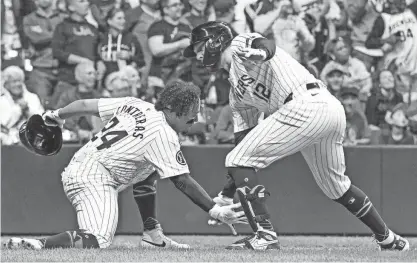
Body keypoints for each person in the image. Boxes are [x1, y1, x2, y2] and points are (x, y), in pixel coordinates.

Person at [183, 21, 410, 251]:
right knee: (336, 187)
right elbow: (244, 143)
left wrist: (261, 53)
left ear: (216, 40)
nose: (198, 55)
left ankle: (265, 236)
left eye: (200, 47)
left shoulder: (239, 46)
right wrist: (226, 194)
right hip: (323, 110)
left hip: (306, 104)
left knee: (237, 159)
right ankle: (389, 239)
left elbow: (266, 45)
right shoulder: (237, 95)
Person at [4, 80, 244, 250]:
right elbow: (181, 180)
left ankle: (152, 234)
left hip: (85, 163)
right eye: (189, 114)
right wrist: (215, 210)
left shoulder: (136, 103)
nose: (194, 120)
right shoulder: (163, 134)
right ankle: (38, 244)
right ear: (171, 109)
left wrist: (55, 115)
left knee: (150, 167)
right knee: (98, 240)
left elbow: (87, 105)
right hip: (94, 178)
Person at [365, 0, 417, 103]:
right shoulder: (383, 18)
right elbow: (369, 42)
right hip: (398, 68)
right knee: (403, 102)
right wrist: (386, 40)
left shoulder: (411, 11)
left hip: (415, 64)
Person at [23, 0, 66, 109]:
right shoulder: (29, 19)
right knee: (40, 108)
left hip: (63, 69)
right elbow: (35, 39)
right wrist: (59, 35)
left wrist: (44, 35)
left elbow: (70, 39)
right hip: (41, 70)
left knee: (63, 108)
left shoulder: (63, 17)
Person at [1, 66, 44, 145]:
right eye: (14, 81)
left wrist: (27, 110)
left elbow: (42, 121)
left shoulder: (33, 98)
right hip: (8, 143)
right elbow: (3, 126)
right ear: (6, 84)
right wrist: (18, 111)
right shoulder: (2, 101)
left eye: (19, 81)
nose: (18, 84)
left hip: (32, 139)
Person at [97, 7, 145, 79]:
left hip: (127, 81)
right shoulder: (101, 38)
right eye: (119, 18)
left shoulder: (131, 38)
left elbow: (141, 61)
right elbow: (95, 57)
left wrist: (129, 56)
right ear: (109, 21)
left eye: (124, 18)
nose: (123, 21)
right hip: (107, 81)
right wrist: (99, 62)